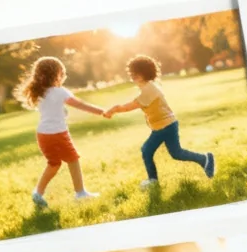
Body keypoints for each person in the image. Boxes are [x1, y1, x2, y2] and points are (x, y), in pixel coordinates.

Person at [99, 55, 214, 189]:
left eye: (138, 72)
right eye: (132, 73)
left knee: (153, 151)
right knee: (171, 152)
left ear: (146, 72)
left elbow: (127, 107)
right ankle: (203, 159)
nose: (134, 75)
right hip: (164, 125)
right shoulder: (147, 86)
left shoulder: (149, 89)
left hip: (165, 127)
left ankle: (154, 180)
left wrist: (112, 110)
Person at [18, 56, 106, 207]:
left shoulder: (39, 92)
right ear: (57, 74)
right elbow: (80, 104)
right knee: (73, 160)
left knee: (54, 163)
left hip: (43, 135)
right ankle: (80, 193)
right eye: (62, 73)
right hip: (57, 133)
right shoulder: (59, 92)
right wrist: (101, 111)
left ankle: (38, 192)